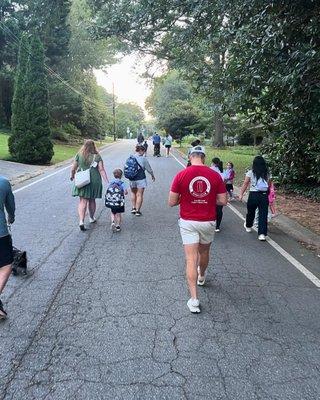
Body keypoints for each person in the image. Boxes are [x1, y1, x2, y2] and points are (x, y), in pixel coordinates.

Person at [168, 146, 227, 313]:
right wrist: (207, 200)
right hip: (208, 221)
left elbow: (171, 202)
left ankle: (194, 300)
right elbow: (223, 201)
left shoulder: (181, 175)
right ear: (204, 158)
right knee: (204, 252)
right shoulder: (215, 175)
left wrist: (184, 198)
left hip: (188, 222)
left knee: (190, 259)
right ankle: (202, 276)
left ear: (189, 157)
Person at [71, 139, 108, 231]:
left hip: (82, 179)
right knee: (92, 200)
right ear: (93, 146)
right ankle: (91, 217)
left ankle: (81, 221)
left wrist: (72, 176)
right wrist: (107, 180)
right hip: (94, 180)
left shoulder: (79, 155)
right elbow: (101, 169)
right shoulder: (97, 156)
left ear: (84, 145)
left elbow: (73, 168)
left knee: (82, 201)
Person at [239, 155, 271, 241]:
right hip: (264, 195)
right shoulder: (267, 173)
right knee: (263, 214)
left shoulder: (250, 172)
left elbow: (245, 183)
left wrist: (241, 194)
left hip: (253, 195)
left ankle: (248, 225)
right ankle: (262, 234)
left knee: (251, 212)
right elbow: (269, 185)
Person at [0, 176, 15, 320]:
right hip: (0, 233)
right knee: (6, 265)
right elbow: (10, 205)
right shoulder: (3, 182)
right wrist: (11, 216)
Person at [129, 144, 155, 216]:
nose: (144, 153)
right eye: (144, 151)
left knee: (133, 193)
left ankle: (133, 208)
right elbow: (148, 169)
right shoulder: (143, 159)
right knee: (139, 194)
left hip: (132, 178)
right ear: (141, 151)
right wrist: (152, 175)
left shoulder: (131, 157)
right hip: (140, 178)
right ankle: (137, 211)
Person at [211, 157, 225, 232]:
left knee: (210, 207)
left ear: (212, 162)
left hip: (211, 191)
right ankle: (217, 226)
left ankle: (211, 222)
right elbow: (224, 181)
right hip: (220, 192)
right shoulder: (222, 170)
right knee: (219, 209)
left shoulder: (210, 169)